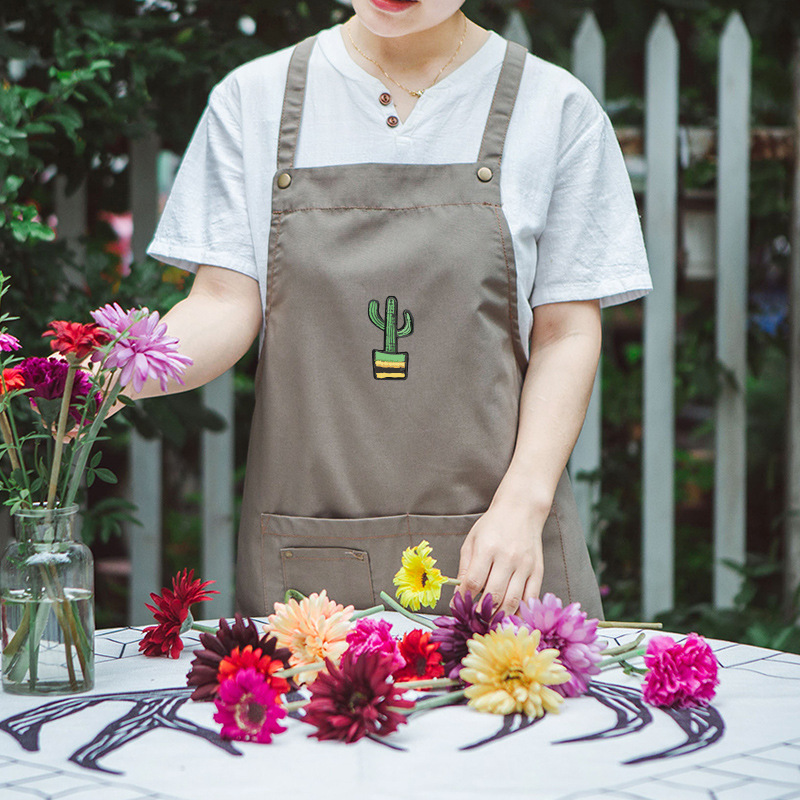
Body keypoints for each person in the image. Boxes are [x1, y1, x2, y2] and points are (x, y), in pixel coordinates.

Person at [143, 0, 651, 619]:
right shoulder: (254, 101)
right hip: (310, 569)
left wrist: (523, 504)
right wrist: (100, 374)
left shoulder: (556, 109)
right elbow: (222, 305)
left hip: (499, 558)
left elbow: (566, 334)